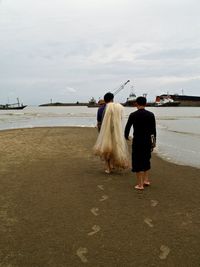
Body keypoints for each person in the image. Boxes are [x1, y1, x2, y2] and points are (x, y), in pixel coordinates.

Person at [124, 96, 156, 190]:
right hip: (147, 141)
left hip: (137, 141)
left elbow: (127, 128)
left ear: (136, 104)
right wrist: (154, 142)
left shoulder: (133, 115)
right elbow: (153, 131)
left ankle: (140, 184)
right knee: (146, 159)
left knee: (138, 161)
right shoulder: (151, 115)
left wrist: (126, 136)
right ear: (145, 104)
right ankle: (146, 180)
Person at [94, 101, 130, 173]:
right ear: (112, 99)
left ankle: (108, 168)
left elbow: (99, 122)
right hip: (116, 131)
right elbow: (120, 120)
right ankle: (113, 165)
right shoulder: (117, 108)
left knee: (106, 149)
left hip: (105, 132)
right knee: (115, 147)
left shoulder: (101, 109)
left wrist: (100, 132)